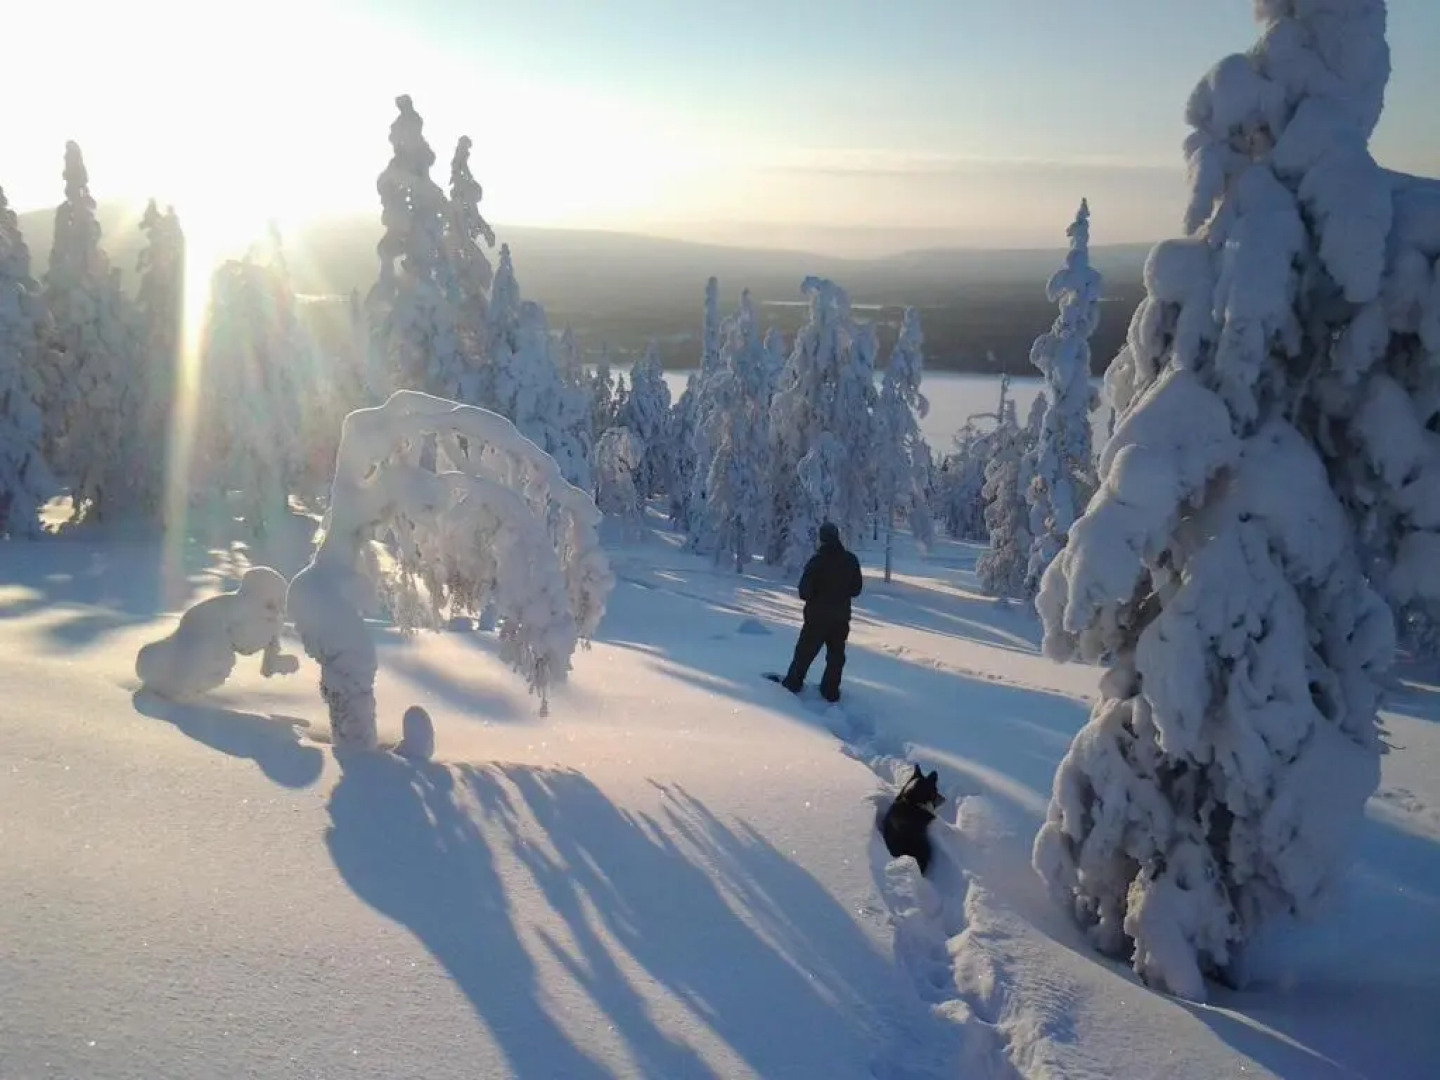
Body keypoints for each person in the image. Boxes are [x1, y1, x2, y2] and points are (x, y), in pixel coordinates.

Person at [781, 521, 863, 702]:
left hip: (816, 618)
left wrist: (817, 596)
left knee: (804, 653)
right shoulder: (850, 560)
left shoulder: (817, 562)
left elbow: (804, 591)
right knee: (836, 656)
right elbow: (856, 589)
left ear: (822, 539)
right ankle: (830, 691)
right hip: (840, 618)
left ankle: (793, 684)